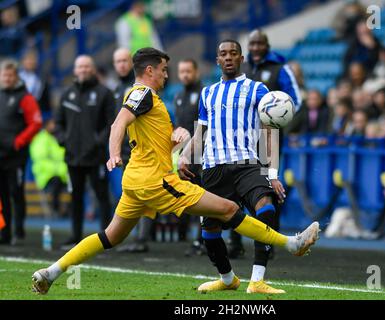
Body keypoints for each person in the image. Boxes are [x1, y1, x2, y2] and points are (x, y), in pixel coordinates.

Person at [31, 47, 320, 295]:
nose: (166, 75)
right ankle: (290, 243)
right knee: (229, 208)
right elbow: (118, 124)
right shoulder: (142, 93)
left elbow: (152, 141)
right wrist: (113, 153)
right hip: (157, 182)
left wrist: (174, 137)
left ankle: (51, 272)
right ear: (149, 70)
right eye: (163, 69)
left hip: (136, 182)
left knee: (110, 237)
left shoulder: (149, 99)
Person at [178, 40, 292, 294]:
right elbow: (199, 135)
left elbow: (268, 133)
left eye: (233, 53)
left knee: (266, 207)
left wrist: (271, 174)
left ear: (241, 59)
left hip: (247, 163)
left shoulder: (258, 90)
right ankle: (227, 279)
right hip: (214, 167)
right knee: (210, 231)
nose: (228, 57)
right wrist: (184, 157)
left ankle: (258, 280)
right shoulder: (208, 94)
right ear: (217, 60)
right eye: (222, 54)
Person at [233, 29, 302, 258]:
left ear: (267, 45)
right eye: (251, 44)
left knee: (268, 183)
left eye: (259, 43)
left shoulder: (279, 70)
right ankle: (236, 242)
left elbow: (295, 101)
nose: (255, 48)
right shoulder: (242, 69)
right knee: (236, 184)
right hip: (242, 137)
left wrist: (277, 118)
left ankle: (269, 241)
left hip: (267, 137)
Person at [54, 55, 115, 248]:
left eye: (86, 66)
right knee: (75, 197)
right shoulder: (66, 94)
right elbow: (58, 123)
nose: (83, 70)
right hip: (72, 157)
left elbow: (111, 124)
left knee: (102, 196)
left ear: (93, 69)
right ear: (74, 70)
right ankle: (75, 235)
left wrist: (97, 142)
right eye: (79, 67)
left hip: (96, 157)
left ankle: (107, 238)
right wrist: (64, 140)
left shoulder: (104, 93)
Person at [111, 48, 151, 254]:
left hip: (141, 151)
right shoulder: (116, 89)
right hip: (125, 153)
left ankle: (142, 237)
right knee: (131, 194)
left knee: (142, 193)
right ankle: (133, 236)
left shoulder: (140, 88)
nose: (122, 65)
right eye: (118, 61)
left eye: (125, 61)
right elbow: (114, 122)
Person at [0, 59, 42, 244]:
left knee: (16, 192)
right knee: (2, 196)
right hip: (0, 155)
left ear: (16, 76)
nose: (7, 78)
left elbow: (36, 123)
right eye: (4, 75)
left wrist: (19, 141)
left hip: (16, 156)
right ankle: (5, 232)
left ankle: (19, 231)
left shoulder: (25, 97)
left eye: (10, 75)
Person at [173, 58, 204, 252]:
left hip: (200, 154)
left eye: (188, 71)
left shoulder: (203, 94)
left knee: (202, 197)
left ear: (196, 72)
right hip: (183, 154)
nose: (185, 75)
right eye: (182, 71)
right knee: (186, 195)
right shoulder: (177, 96)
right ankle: (185, 235)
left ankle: (202, 239)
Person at [29, 117, 68, 217]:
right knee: (56, 182)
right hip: (45, 175)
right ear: (46, 126)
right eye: (52, 124)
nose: (54, 126)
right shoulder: (40, 139)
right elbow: (40, 157)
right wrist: (56, 167)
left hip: (61, 173)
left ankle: (67, 210)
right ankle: (56, 209)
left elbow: (62, 154)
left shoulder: (56, 138)